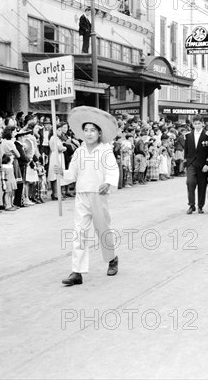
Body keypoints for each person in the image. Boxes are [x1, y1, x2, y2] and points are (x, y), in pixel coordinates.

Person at [57, 106, 120, 286]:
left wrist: (107, 183)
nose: (89, 133)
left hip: (99, 195)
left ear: (99, 133)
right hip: (82, 194)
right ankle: (77, 271)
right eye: (86, 130)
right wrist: (61, 172)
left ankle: (112, 258)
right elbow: (73, 173)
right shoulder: (79, 151)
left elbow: (112, 170)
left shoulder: (105, 150)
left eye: (93, 130)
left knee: (103, 229)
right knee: (79, 232)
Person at [183, 115, 208, 214]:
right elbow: (186, 151)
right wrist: (185, 164)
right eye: (195, 123)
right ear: (192, 124)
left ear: (202, 124)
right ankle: (191, 205)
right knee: (190, 182)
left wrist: (207, 164)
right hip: (191, 163)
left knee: (202, 185)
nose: (197, 125)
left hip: (202, 163)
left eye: (199, 123)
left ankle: (200, 206)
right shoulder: (188, 135)